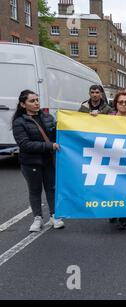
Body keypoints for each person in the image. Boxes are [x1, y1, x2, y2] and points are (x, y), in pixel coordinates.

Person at [12, 90, 64, 232]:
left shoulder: (47, 117)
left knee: (51, 188)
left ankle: (54, 215)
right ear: (23, 104)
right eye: (32, 101)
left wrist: (64, 122)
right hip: (31, 162)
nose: (36, 103)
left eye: (37, 100)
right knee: (35, 190)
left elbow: (55, 132)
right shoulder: (19, 122)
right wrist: (50, 145)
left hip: (48, 161)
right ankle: (37, 218)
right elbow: (25, 144)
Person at [91, 91, 126, 230]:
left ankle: (123, 217)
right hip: (111, 157)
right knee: (111, 187)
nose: (123, 104)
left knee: (125, 189)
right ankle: (112, 211)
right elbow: (94, 129)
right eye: (120, 102)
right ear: (116, 104)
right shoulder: (107, 118)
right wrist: (93, 118)